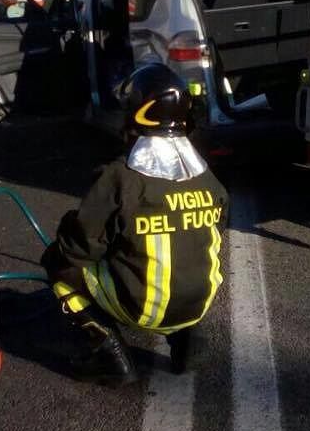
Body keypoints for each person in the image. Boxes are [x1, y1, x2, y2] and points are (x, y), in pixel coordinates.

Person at [41, 63, 229, 385]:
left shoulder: (120, 177)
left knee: (56, 264)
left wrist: (71, 227)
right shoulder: (209, 180)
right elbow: (216, 228)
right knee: (186, 255)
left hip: (143, 310)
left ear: (138, 114)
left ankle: (109, 355)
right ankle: (187, 342)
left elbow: (78, 248)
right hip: (199, 302)